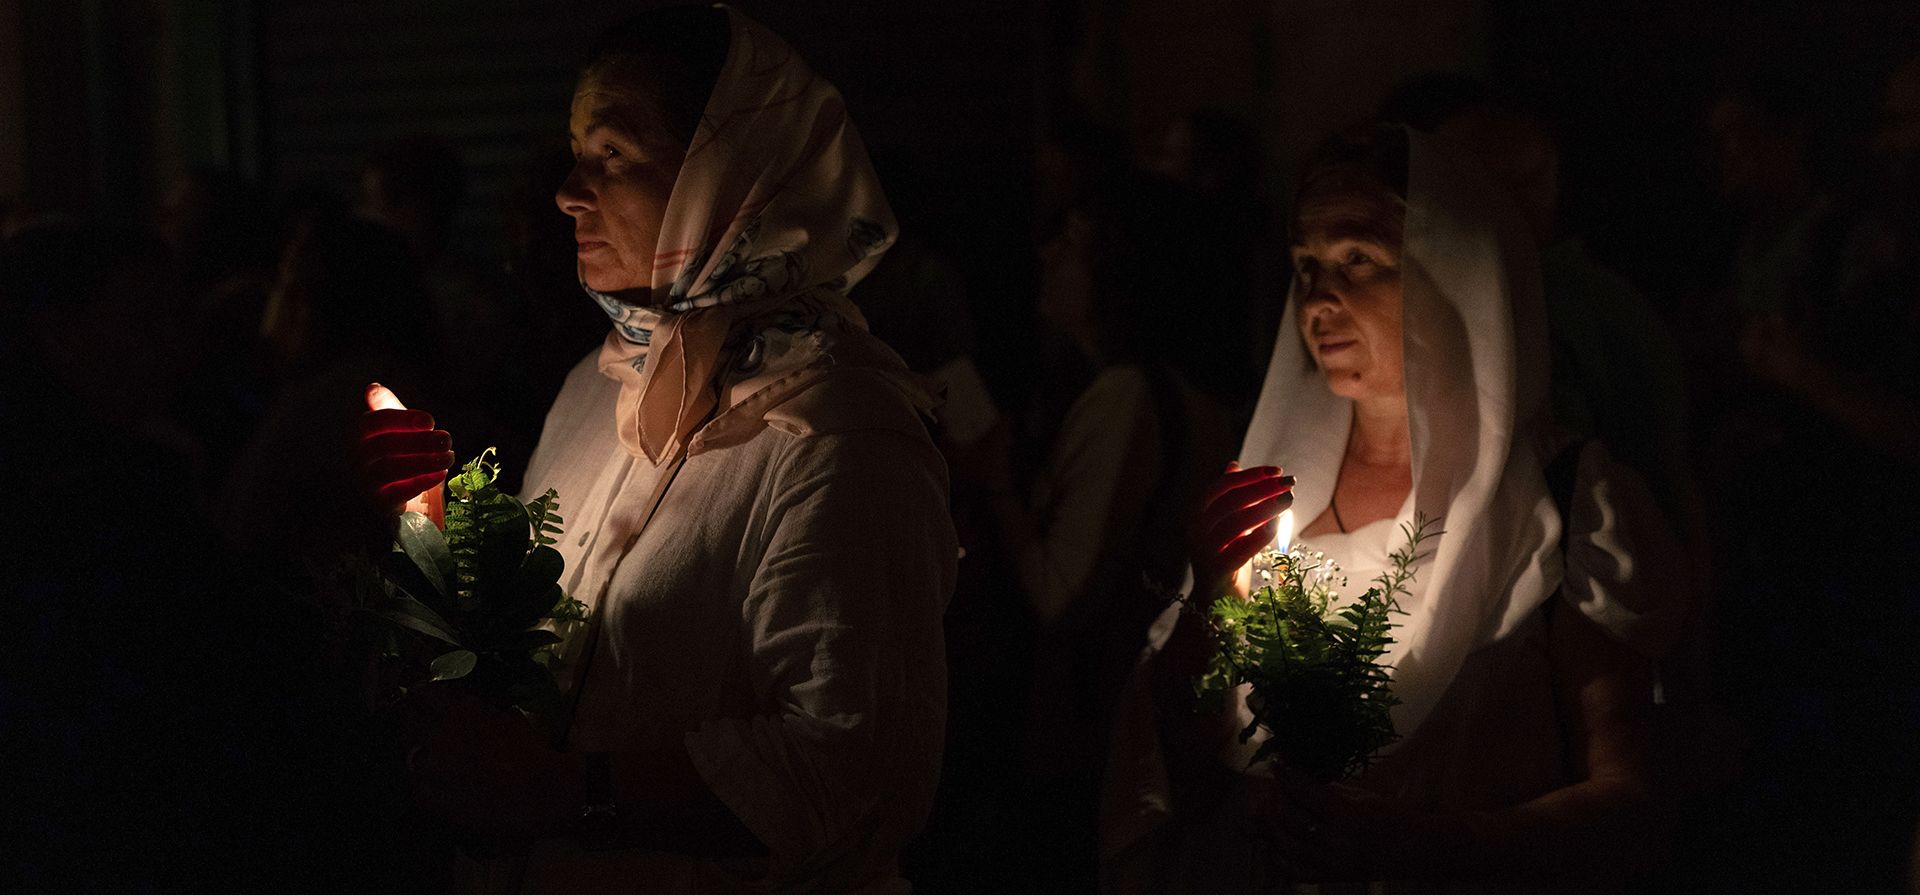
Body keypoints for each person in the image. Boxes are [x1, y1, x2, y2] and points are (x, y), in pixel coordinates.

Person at [358, 6, 955, 891]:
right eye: (573, 150)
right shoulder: (594, 387)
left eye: (612, 154)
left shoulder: (839, 434)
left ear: (732, 174)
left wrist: (562, 791)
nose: (567, 189)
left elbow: (846, 764)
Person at [1100, 125, 1686, 893]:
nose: (1319, 298)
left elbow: (1633, 797)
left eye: (1358, 260)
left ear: (1457, 275)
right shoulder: (1270, 495)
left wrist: (1428, 848)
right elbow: (1180, 766)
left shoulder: (1569, 504)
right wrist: (1210, 600)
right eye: (1306, 265)